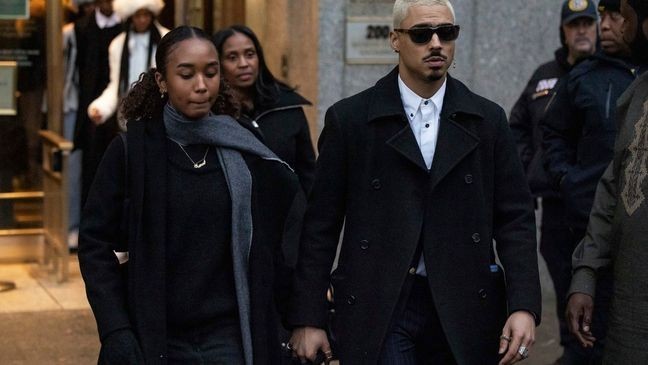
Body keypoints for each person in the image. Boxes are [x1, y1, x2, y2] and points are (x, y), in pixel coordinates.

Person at [287, 0, 541, 364]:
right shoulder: (351, 121)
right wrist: (308, 317)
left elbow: (515, 219)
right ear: (395, 39)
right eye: (422, 34)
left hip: (463, 302)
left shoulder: (486, 120)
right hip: (381, 300)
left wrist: (524, 306)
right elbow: (320, 226)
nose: (436, 43)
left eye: (446, 33)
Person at [78, 26, 303, 364]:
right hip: (157, 335)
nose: (201, 85)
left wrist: (303, 315)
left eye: (211, 73)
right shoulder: (132, 151)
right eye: (186, 74)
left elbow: (284, 235)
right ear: (161, 81)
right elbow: (95, 243)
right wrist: (116, 328)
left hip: (232, 337)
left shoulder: (244, 146)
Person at [508, 2, 596, 362]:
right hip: (556, 204)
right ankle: (571, 348)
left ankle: (590, 350)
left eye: (588, 23)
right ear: (563, 31)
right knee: (561, 272)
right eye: (574, 24)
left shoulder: (606, 72)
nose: (581, 31)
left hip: (593, 205)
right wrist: (532, 169)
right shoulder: (545, 76)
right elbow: (517, 127)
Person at [565, 0, 648, 362]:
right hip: (629, 321)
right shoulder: (636, 95)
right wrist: (585, 276)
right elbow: (613, 191)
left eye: (624, 17)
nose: (618, 27)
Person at [212, 25, 316, 194]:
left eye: (250, 54)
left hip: (289, 214)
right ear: (218, 64)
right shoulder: (212, 114)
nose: (244, 64)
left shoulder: (287, 106)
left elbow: (308, 172)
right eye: (232, 57)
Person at [87, 0, 168, 127]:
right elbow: (116, 86)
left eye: (146, 15)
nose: (142, 20)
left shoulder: (165, 39)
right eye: (137, 15)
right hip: (130, 119)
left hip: (160, 116)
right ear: (130, 16)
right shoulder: (118, 45)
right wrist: (101, 108)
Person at [74, 0, 122, 206]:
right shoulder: (83, 27)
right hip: (92, 106)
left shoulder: (125, 27)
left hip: (119, 107)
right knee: (92, 167)